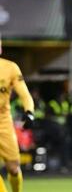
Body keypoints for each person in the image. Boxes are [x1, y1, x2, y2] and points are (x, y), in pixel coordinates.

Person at [0, 36, 34, 192]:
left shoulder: (10, 68)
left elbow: (25, 94)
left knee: (13, 168)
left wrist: (29, 112)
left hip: (3, 123)